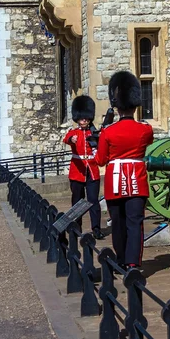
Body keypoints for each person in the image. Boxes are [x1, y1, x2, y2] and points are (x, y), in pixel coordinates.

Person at [95, 71, 154, 269]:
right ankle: (133, 263)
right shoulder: (145, 129)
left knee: (118, 223)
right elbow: (148, 142)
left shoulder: (108, 131)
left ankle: (121, 259)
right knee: (135, 223)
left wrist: (97, 147)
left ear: (118, 107)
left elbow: (101, 160)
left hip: (115, 182)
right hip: (137, 179)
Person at [63, 95, 105, 239]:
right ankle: (77, 227)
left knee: (93, 200)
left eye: (86, 118)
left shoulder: (94, 133)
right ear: (77, 118)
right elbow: (67, 138)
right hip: (77, 171)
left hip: (92, 171)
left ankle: (96, 228)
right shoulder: (73, 132)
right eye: (82, 118)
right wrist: (72, 140)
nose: (84, 121)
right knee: (77, 201)